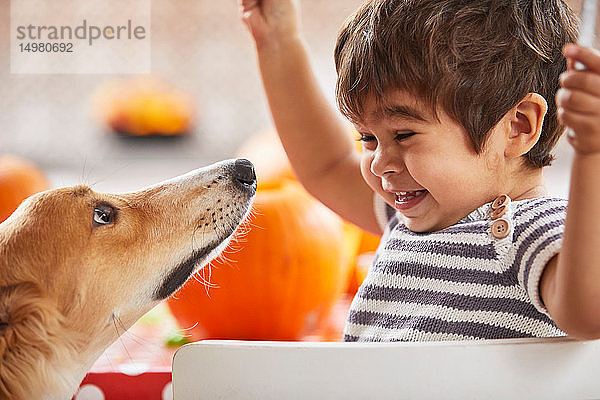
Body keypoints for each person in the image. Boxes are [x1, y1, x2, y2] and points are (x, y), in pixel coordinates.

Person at [239, 0, 600, 342]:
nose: (380, 163)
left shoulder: (532, 232)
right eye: (367, 137)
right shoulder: (410, 215)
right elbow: (326, 166)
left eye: (404, 134)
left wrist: (591, 151)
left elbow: (588, 313)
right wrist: (278, 41)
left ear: (517, 126)